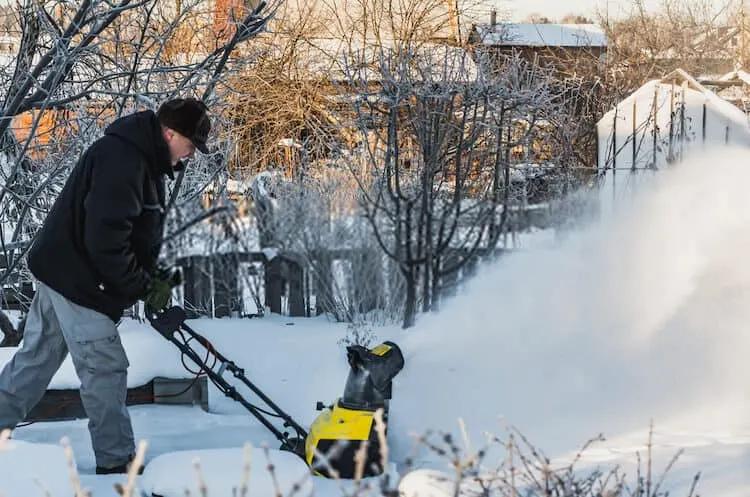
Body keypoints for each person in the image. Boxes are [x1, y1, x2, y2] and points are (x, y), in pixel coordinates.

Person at [0, 98, 211, 474]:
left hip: (64, 271)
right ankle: (117, 464)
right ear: (169, 132)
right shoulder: (124, 160)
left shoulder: (140, 158)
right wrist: (141, 286)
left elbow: (129, 232)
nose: (191, 155)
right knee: (105, 367)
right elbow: (106, 242)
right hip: (80, 280)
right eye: (190, 145)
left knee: (36, 361)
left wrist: (150, 277)